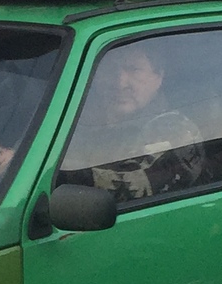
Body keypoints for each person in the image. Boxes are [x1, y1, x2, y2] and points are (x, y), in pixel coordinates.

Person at [62, 41, 208, 203]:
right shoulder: (71, 120)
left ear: (158, 77)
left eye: (134, 70)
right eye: (110, 69)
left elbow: (135, 185)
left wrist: (59, 175)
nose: (120, 83)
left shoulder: (176, 130)